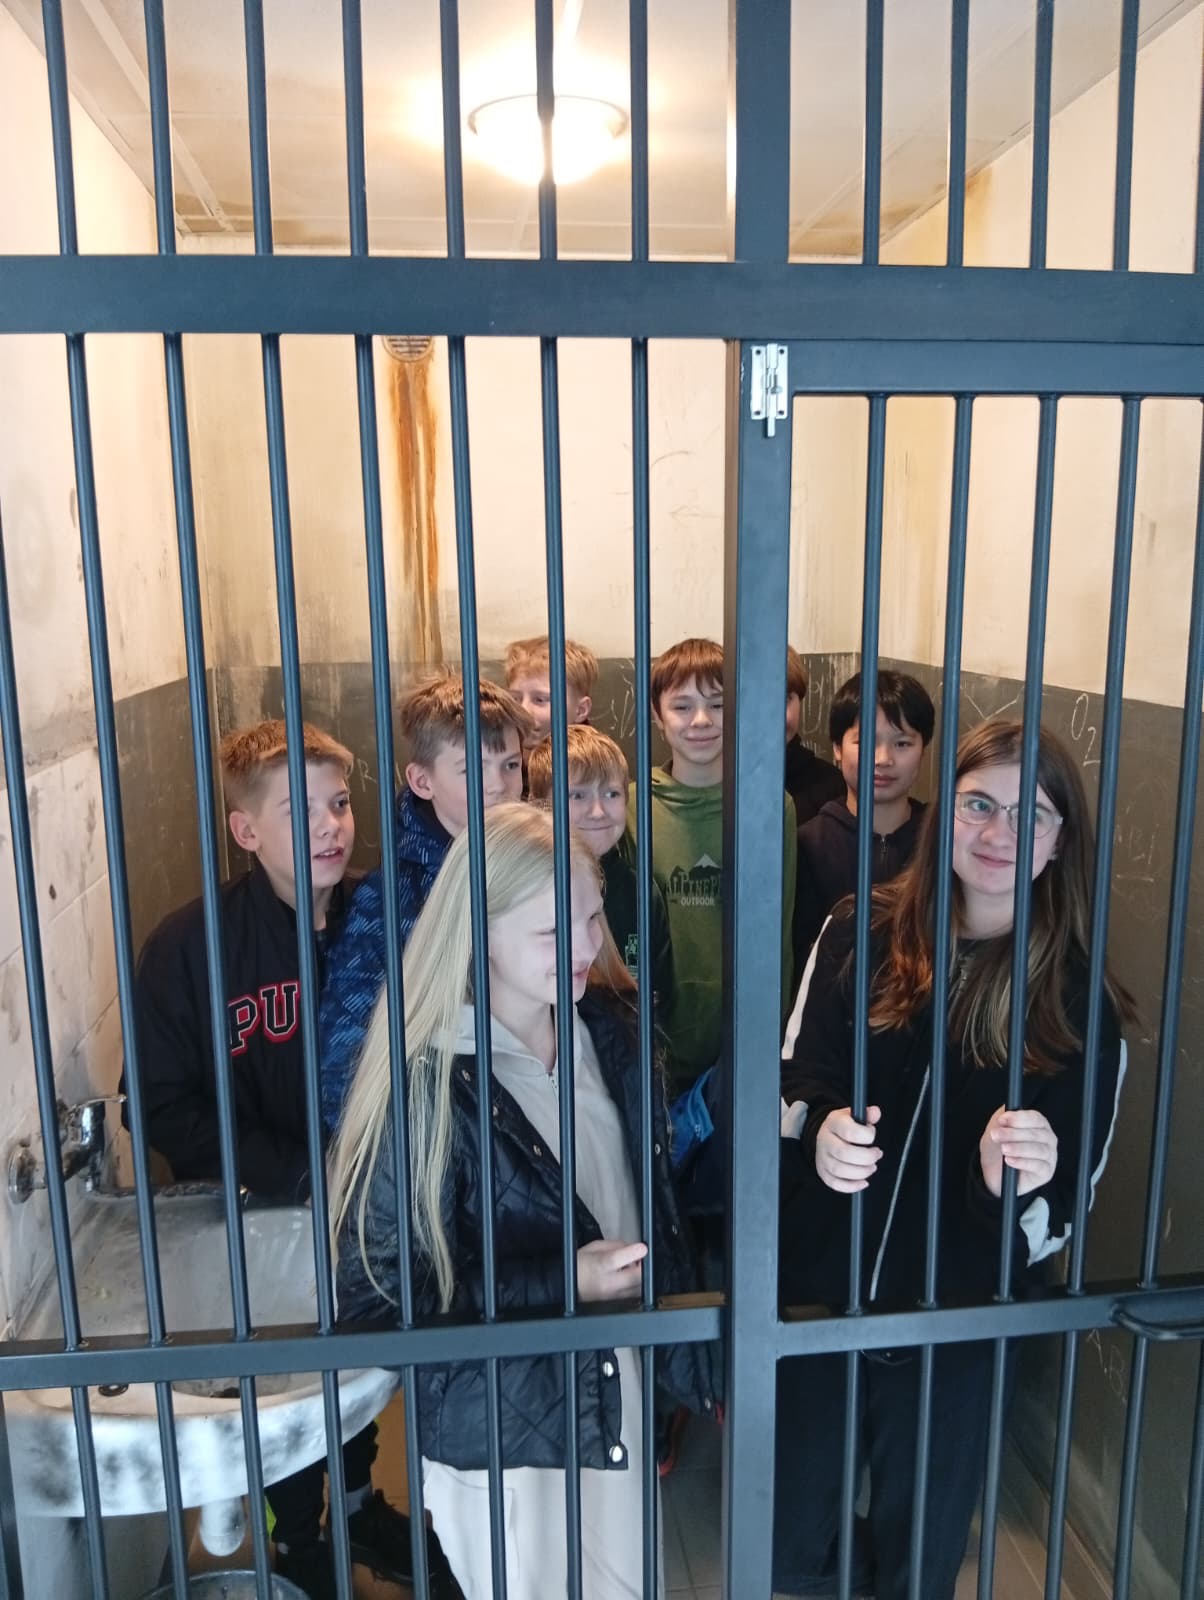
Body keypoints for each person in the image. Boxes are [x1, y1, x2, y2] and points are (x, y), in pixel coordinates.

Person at [774, 719, 1136, 1600]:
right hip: (820, 1292)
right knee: (786, 1537)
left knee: (920, 1557)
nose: (998, 832)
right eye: (978, 804)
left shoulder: (1078, 1004)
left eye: (1029, 813)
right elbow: (790, 1076)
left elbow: (1061, 1213)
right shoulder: (857, 930)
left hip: (959, 1326)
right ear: (946, 813)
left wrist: (1005, 1190)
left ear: (1059, 842)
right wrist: (818, 1129)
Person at [329, 804, 717, 1600]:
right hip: (507, 1435)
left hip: (617, 1393)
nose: (586, 947)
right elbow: (376, 1305)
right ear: (479, 933)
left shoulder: (608, 1032)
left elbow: (647, 1206)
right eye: (552, 932)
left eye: (593, 917)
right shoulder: (424, 1081)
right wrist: (564, 1283)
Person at [126, 721, 454, 1599]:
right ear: (245, 830)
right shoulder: (189, 946)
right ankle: (299, 1540)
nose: (330, 826)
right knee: (280, 1390)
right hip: (254, 1218)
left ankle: (357, 1508)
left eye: (340, 803)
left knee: (354, 1371)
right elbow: (158, 1102)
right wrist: (294, 1170)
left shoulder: (379, 918)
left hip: (365, 1204)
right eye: (300, 810)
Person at [319, 672, 529, 1128]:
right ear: (421, 780)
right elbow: (345, 1064)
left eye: (511, 765)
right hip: (441, 1134)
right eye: (472, 769)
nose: (499, 785)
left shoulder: (538, 868)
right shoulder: (390, 900)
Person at [626, 636, 797, 1094]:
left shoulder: (769, 806)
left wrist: (768, 1041)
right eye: (682, 706)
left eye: (718, 705)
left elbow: (777, 934)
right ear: (657, 715)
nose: (701, 720)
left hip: (740, 1047)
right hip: (647, 1041)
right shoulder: (629, 807)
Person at [787, 668, 935, 1017]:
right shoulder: (808, 844)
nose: (883, 759)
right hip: (830, 1024)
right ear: (837, 748)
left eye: (902, 743)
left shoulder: (943, 841)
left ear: (923, 751)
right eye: (865, 741)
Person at [526, 723, 674, 1010]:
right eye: (577, 795)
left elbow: (661, 995)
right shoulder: (525, 893)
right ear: (538, 805)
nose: (598, 812)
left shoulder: (641, 891)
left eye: (611, 794)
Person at [783, 645, 845, 830]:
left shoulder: (832, 786)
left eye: (785, 698)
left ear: (800, 700)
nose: (774, 715)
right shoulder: (720, 781)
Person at [504, 633, 599, 749]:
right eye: (515, 699)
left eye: (540, 700)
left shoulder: (595, 759)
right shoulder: (496, 752)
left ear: (580, 710)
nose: (523, 710)